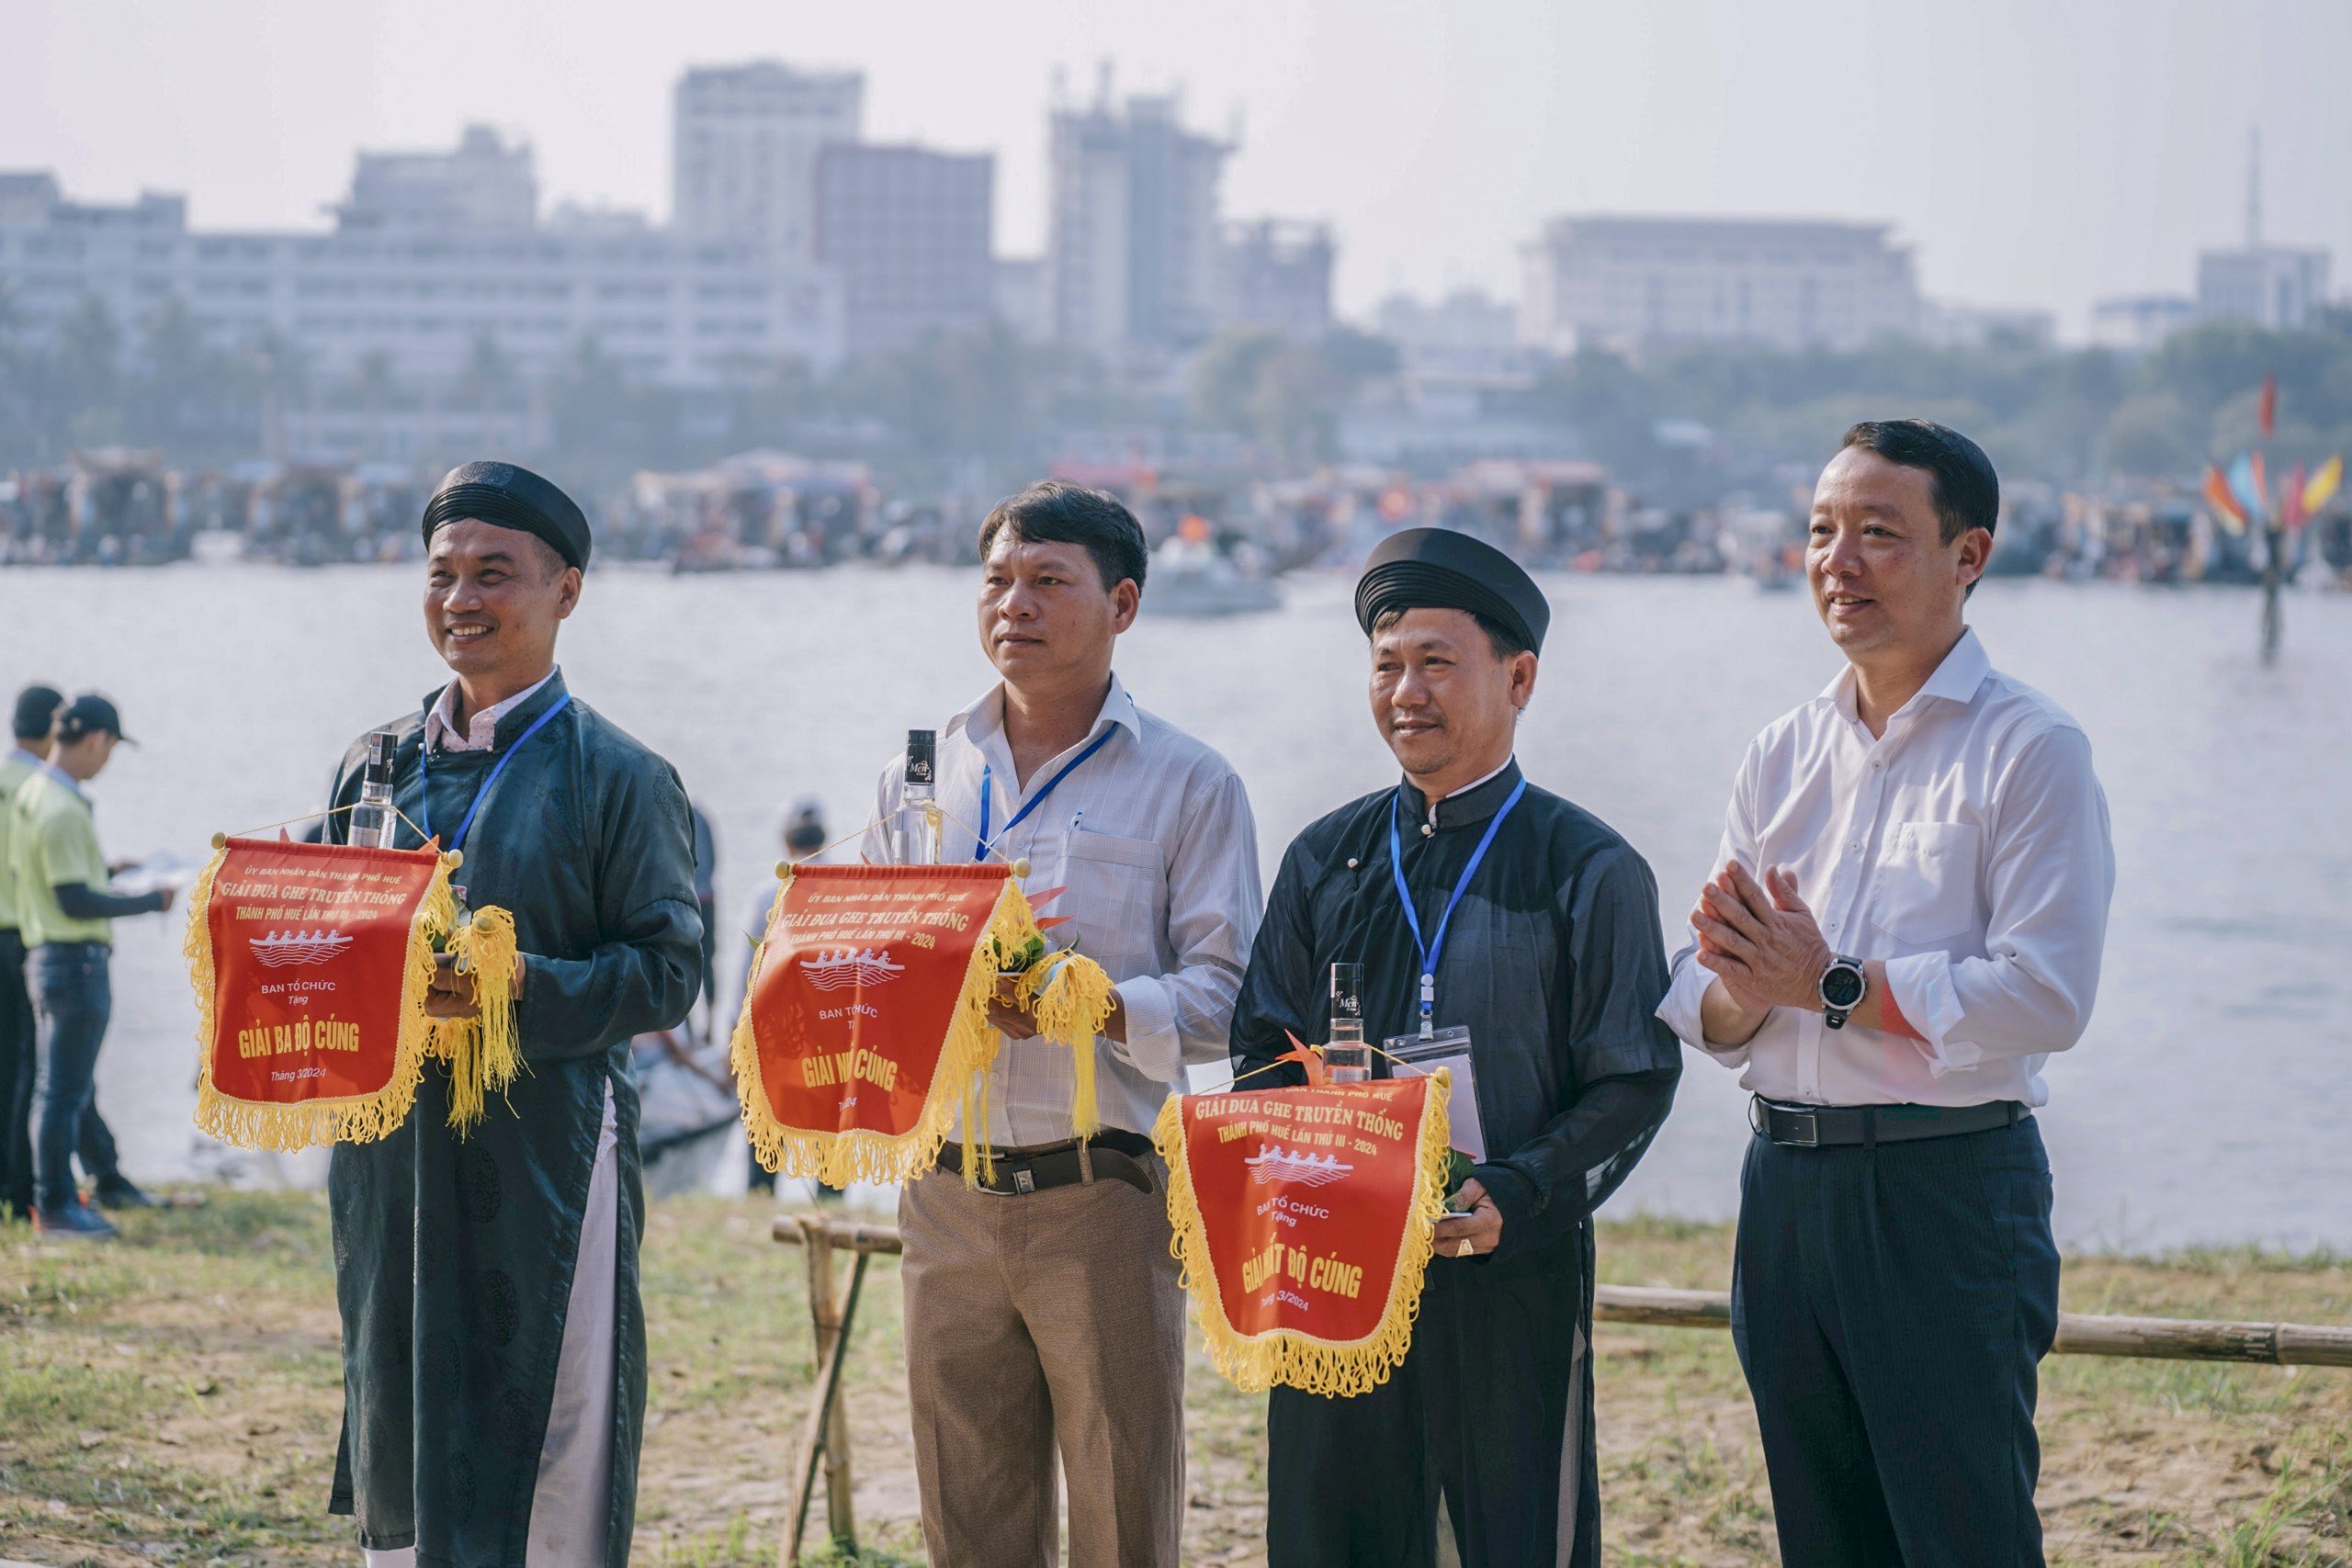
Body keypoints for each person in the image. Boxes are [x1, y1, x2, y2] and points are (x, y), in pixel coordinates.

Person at [1656, 420, 2115, 1568]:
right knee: (1822, 1536)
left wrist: (1830, 982)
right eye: (1819, 532)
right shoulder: (1780, 752)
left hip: (1944, 1194)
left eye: (1877, 534)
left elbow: (2044, 998)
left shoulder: (2030, 749)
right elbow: (1717, 1001)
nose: (1837, 561)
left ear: (1969, 556)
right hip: (1783, 1193)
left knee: (1960, 1537)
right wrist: (1750, 991)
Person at [1229, 526, 1681, 1566]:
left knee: (1519, 1533)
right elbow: (1259, 1044)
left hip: (1508, 1265)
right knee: (1329, 1528)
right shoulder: (1324, 856)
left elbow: (1634, 1079)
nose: (1406, 692)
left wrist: (1518, 1190)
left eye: (1437, 663)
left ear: (1518, 677)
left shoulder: (1589, 867)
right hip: (1336, 1269)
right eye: (1386, 666)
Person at [863, 479, 1262, 1567]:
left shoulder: (1190, 781)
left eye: (1049, 583)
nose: (1014, 606)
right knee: (967, 1513)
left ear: (1122, 605)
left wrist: (1091, 1002)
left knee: (1123, 1509)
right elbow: (865, 952)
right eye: (997, 580)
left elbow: (1231, 996)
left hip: (1104, 1192)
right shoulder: (921, 768)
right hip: (943, 1190)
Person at [320, 461, 703, 1567]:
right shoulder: (372, 764)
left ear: (566, 591)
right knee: (394, 1386)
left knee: (548, 1409)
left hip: (546, 1145)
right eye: (442, 574)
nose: (462, 600)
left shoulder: (621, 776)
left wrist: (519, 983)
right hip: (389, 1144)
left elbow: (668, 973)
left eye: (496, 573)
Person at [10, 694, 175, 1238]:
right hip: (74, 963)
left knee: (52, 1090)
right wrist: (151, 900)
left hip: (45, 957)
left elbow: (57, 877)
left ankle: (55, 1199)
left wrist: (106, 872)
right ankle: (56, 1206)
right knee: (64, 1093)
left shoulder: (33, 792)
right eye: (110, 750)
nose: (106, 762)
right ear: (96, 740)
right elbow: (73, 900)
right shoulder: (61, 806)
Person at [2, 682, 66, 1222]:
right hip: (24, 937)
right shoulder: (40, 788)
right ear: (53, 726)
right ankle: (23, 1190)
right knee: (30, 1068)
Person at [743, 797, 829, 1199]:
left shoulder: (769, 890)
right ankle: (830, 1198)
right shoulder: (844, 885)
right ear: (825, 836)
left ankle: (760, 1193)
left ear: (784, 837)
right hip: (830, 1023)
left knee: (767, 1111)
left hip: (778, 1023)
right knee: (829, 1117)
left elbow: (750, 965)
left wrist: (735, 1025)